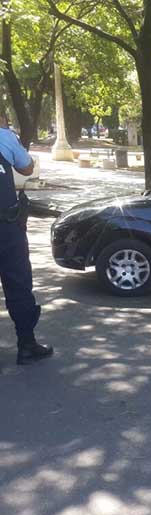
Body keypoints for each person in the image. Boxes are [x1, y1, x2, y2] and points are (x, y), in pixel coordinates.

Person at [0, 117, 53, 365]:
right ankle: (27, 345)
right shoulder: (4, 137)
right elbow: (27, 168)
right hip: (7, 229)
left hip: (8, 226)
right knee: (18, 285)